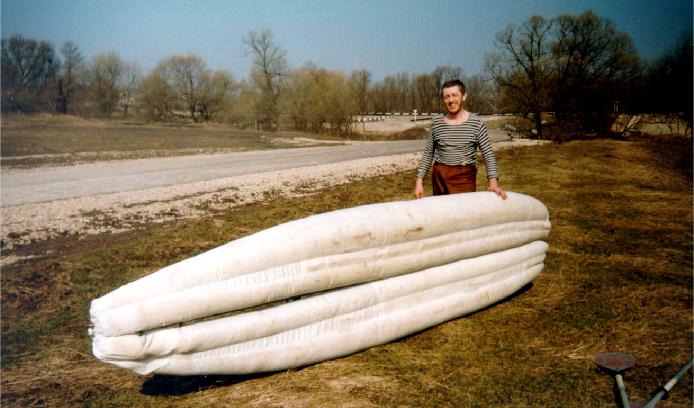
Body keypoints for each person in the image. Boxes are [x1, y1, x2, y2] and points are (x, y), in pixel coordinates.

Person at [414, 79, 507, 200]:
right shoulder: (436, 123)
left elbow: (488, 155)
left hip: (464, 179)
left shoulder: (476, 124)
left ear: (464, 96)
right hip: (440, 179)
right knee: (442, 211)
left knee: (463, 211)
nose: (450, 100)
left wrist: (493, 184)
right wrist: (419, 182)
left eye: (454, 95)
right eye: (446, 97)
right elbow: (427, 154)